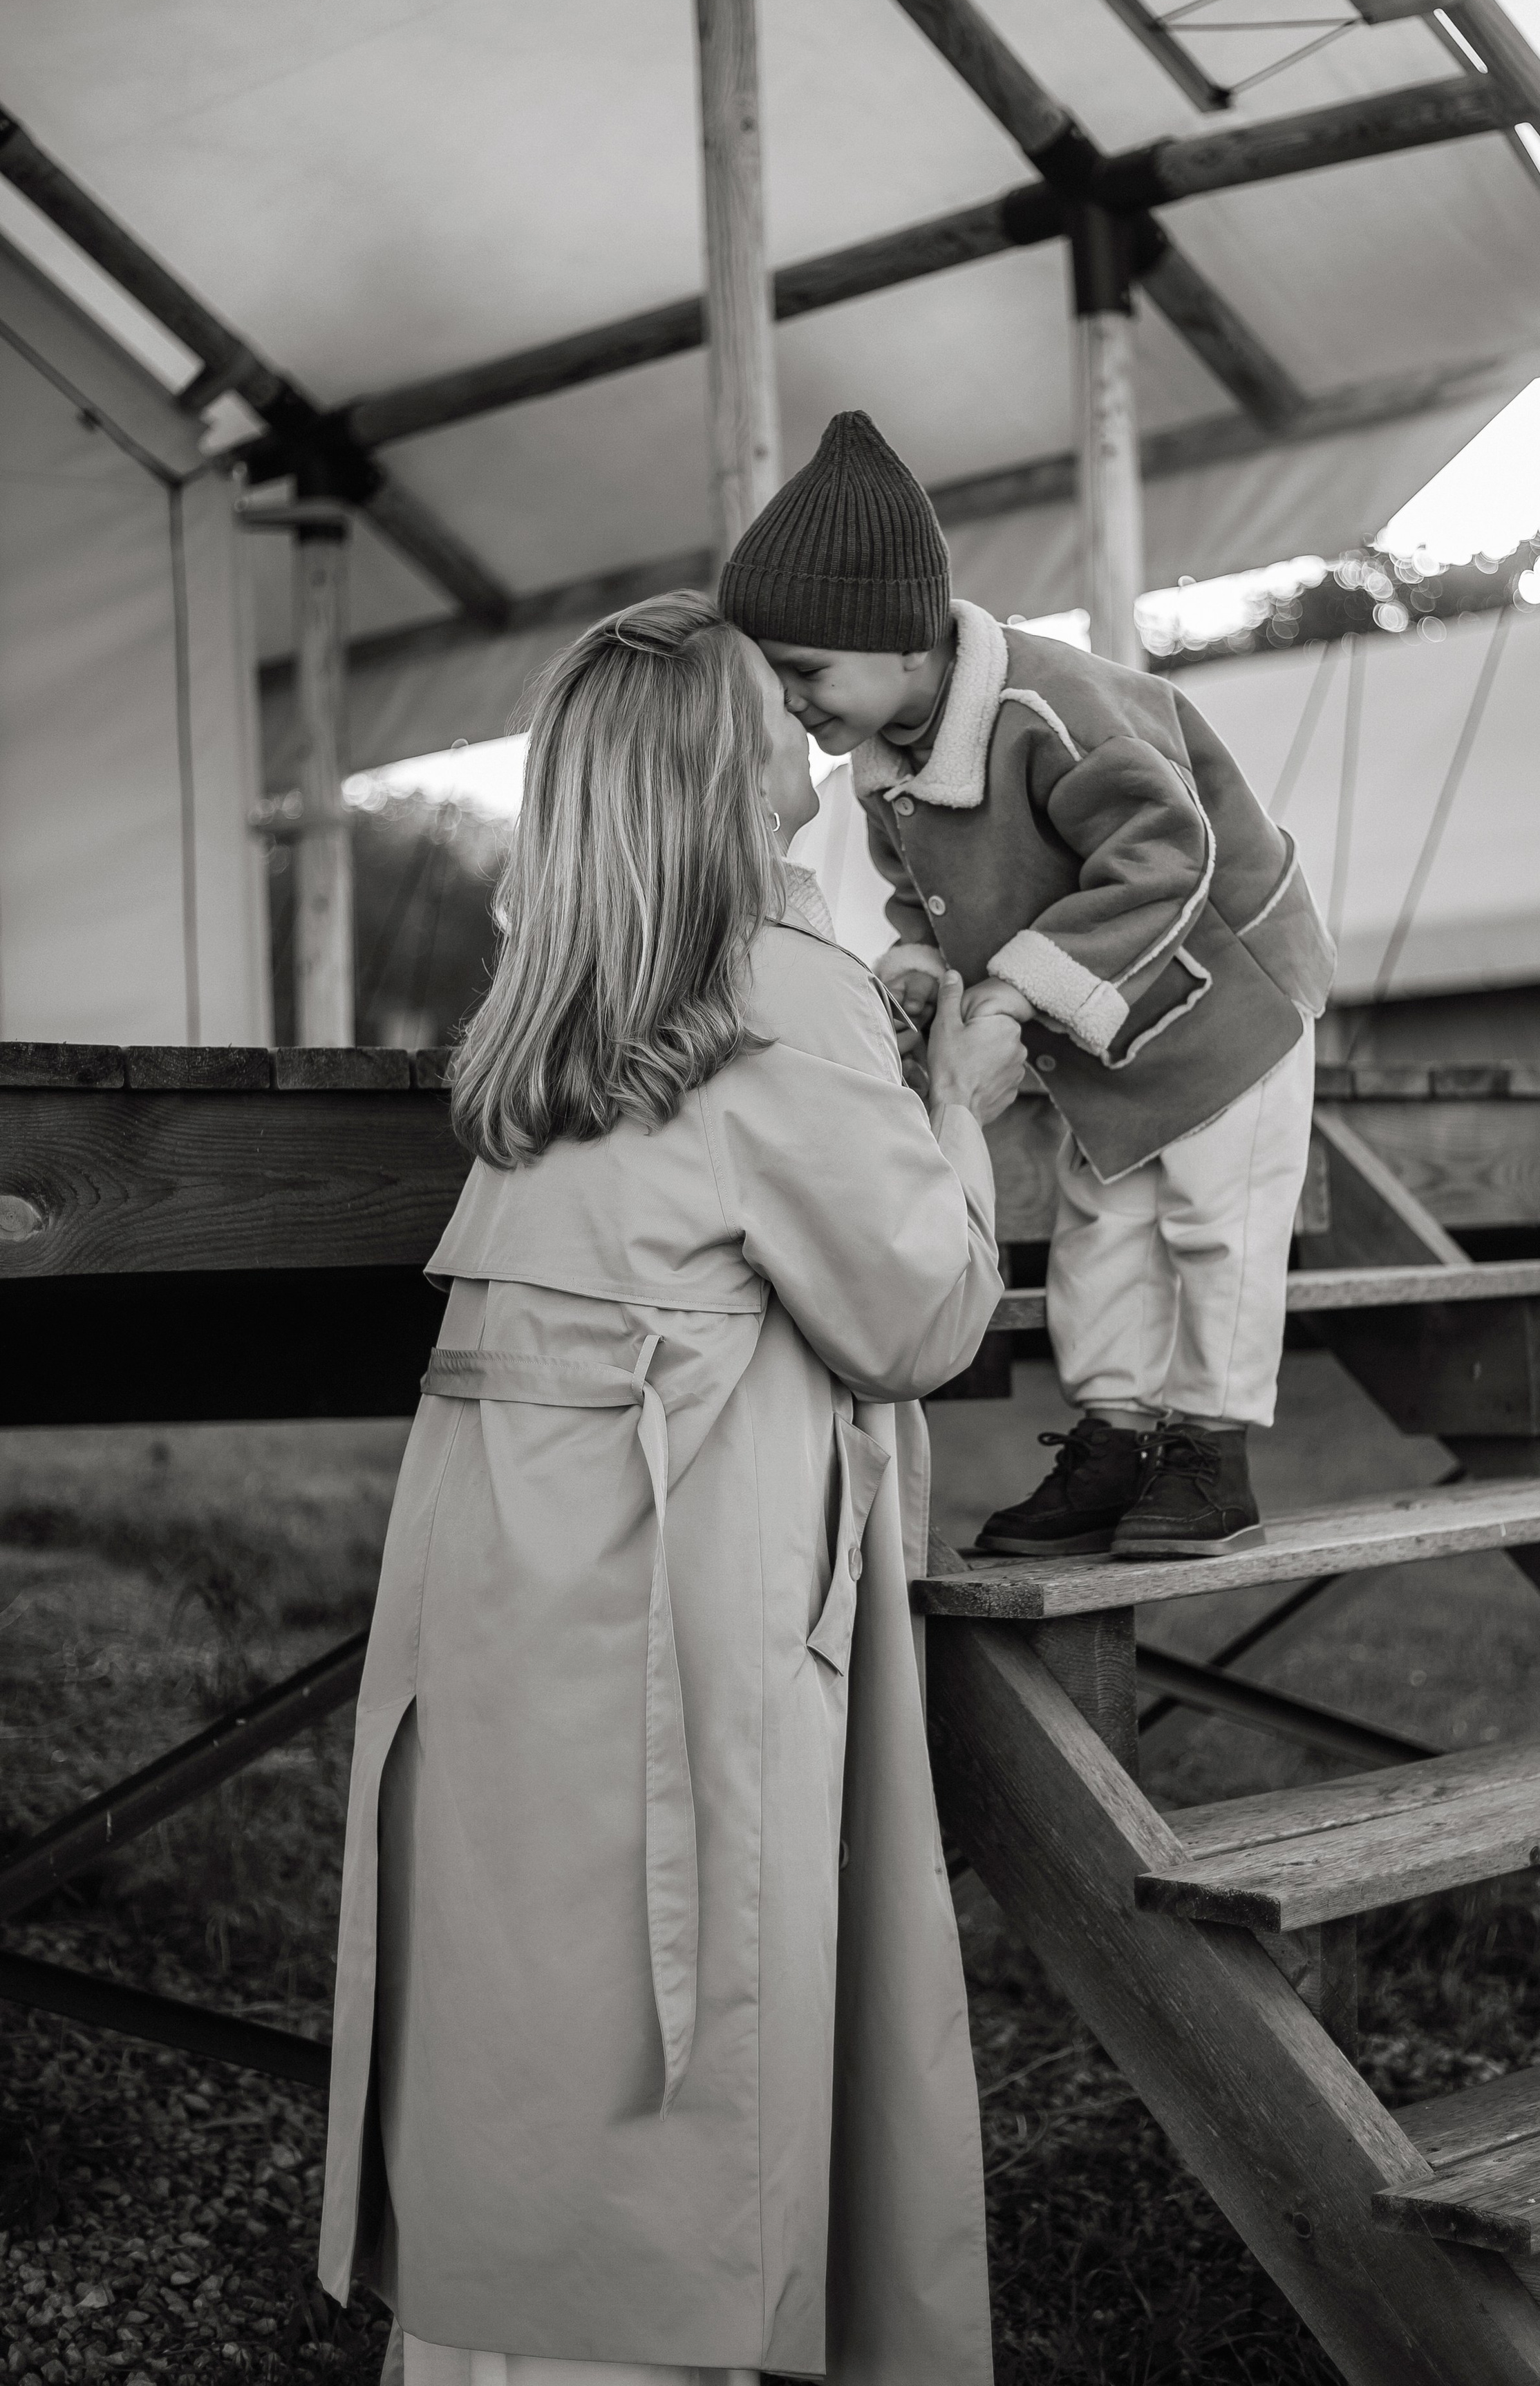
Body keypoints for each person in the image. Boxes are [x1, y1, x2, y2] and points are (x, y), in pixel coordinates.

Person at [318, 591, 1024, 2386]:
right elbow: (921, 1308)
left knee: (516, 2042)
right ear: (734, 771)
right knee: (672, 2070)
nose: (805, 736)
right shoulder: (785, 995)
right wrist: (963, 1106)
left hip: (497, 1618)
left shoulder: (557, 999)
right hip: (666, 1612)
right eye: (772, 714)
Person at [726, 413, 1336, 1563]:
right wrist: (922, 969)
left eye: (804, 672)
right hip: (1110, 1031)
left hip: (1230, 1005)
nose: (790, 703)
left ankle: (1211, 1450)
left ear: (903, 641)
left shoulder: (1051, 709)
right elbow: (934, 897)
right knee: (1102, 1228)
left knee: (1218, 1224)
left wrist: (1009, 995)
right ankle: (1116, 1438)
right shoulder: (888, 764)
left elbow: (1170, 855)